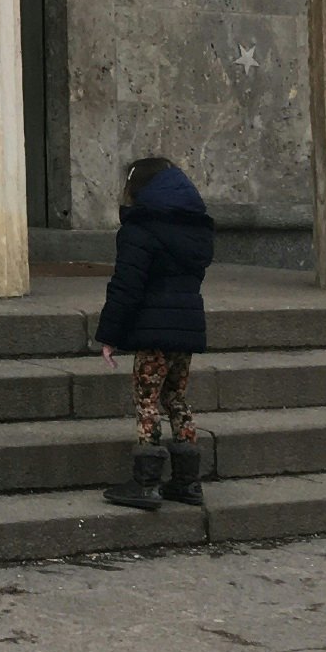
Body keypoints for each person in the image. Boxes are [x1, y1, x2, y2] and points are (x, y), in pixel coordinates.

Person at [96, 155, 216, 513]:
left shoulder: (141, 228)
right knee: (177, 399)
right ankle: (188, 481)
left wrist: (109, 334)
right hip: (186, 327)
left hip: (153, 330)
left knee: (146, 400)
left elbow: (126, 286)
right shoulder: (197, 227)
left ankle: (146, 484)